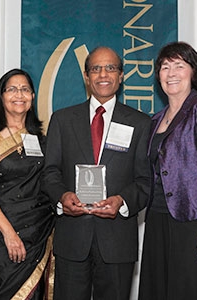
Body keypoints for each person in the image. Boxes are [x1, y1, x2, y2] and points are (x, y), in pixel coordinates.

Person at [41, 46, 151, 300]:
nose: (103, 74)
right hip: (72, 239)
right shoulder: (62, 120)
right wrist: (62, 198)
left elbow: (145, 181)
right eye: (96, 68)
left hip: (117, 242)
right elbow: (50, 172)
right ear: (86, 76)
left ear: (121, 75)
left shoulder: (141, 123)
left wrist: (122, 201)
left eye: (111, 68)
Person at [138, 42, 197, 299]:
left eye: (179, 66)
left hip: (195, 222)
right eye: (165, 67)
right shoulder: (154, 120)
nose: (171, 73)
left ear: (194, 73)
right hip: (158, 220)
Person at [0, 68, 55, 300]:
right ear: (1, 96)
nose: (19, 94)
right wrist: (9, 234)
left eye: (25, 89)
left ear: (33, 96)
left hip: (37, 234)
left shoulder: (41, 138)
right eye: (12, 89)